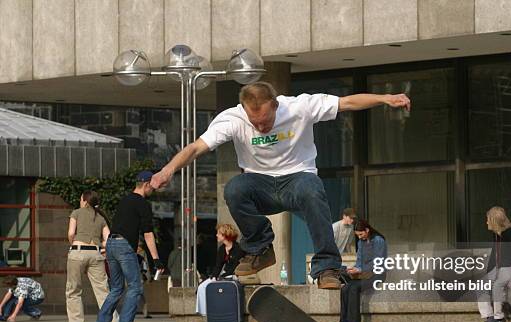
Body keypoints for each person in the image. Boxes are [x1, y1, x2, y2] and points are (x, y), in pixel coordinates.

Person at [151, 82, 409, 289]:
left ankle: (327, 267)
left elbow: (347, 102)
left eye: (266, 120)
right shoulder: (232, 118)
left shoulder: (299, 107)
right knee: (234, 189)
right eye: (256, 123)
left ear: (275, 104)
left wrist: (384, 98)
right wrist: (168, 169)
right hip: (259, 183)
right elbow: (197, 147)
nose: (261, 127)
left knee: (312, 188)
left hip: (297, 178)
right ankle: (261, 247)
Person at [95, 171, 165, 322]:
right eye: (152, 186)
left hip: (111, 244)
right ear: (147, 184)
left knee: (116, 288)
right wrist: (156, 260)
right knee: (135, 287)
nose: (153, 190)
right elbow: (148, 233)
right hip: (124, 246)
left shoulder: (125, 200)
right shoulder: (142, 203)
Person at [64, 190, 118, 322]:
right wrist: (101, 248)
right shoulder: (100, 217)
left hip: (78, 252)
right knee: (103, 292)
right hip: (96, 254)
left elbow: (70, 233)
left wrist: (74, 244)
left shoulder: (76, 213)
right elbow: (108, 239)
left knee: (73, 291)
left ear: (85, 201)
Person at [333, 220, 387, 322]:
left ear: (367, 230)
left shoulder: (378, 240)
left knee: (353, 288)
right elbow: (359, 261)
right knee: (345, 288)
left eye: (361, 234)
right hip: (363, 275)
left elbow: (378, 261)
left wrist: (361, 269)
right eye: (357, 235)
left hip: (377, 274)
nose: (360, 237)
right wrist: (354, 269)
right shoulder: (361, 243)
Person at [477, 206, 511, 322]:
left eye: (488, 219)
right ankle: (489, 319)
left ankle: (500, 320)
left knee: (498, 285)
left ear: (494, 220)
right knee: (480, 285)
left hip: (509, 267)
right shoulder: (496, 235)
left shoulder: (510, 234)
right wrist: (488, 273)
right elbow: (494, 255)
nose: (486, 222)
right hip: (497, 268)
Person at [196, 224, 245, 322]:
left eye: (218, 233)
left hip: (234, 275)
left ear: (225, 235)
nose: (216, 235)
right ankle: (209, 318)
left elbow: (234, 266)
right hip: (223, 275)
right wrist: (214, 277)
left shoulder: (238, 248)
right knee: (202, 287)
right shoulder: (222, 248)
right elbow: (218, 265)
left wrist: (221, 277)